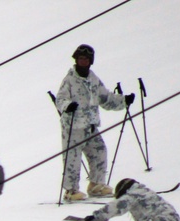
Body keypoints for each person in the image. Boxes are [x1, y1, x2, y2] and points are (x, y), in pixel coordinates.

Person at [55, 44, 134, 201]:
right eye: (80, 58)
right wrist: (67, 106)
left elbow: (105, 98)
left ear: (90, 61)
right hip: (73, 126)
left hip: (90, 126)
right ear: (76, 60)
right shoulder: (70, 79)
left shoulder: (93, 79)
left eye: (86, 59)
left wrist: (123, 101)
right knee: (73, 158)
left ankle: (96, 185)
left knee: (99, 151)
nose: (83, 61)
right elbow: (60, 98)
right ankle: (71, 191)